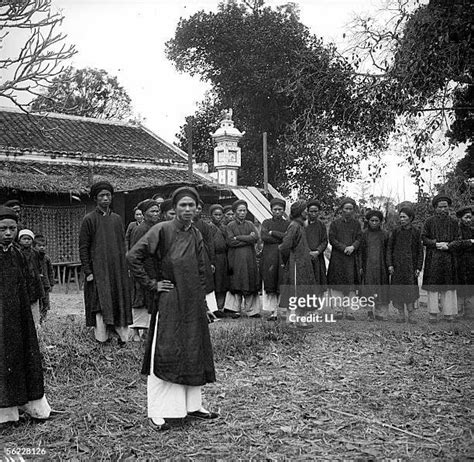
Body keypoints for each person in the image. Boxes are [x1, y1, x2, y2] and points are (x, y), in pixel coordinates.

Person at [127, 186, 217, 432]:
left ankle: (192, 406)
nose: (187, 210)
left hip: (192, 301)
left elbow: (200, 269)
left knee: (193, 349)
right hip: (169, 300)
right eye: (182, 205)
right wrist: (152, 284)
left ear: (197, 208)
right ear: (174, 208)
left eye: (192, 205)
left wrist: (204, 302)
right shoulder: (162, 230)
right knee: (165, 352)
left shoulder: (196, 233)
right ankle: (158, 411)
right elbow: (133, 257)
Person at [0, 206, 51, 426]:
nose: (8, 233)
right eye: (2, 229)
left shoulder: (17, 254)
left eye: (12, 228)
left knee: (21, 357)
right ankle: (6, 414)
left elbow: (27, 285)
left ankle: (26, 405)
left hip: (17, 316)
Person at [79, 181, 132, 345]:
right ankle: (102, 338)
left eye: (108, 195)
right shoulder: (89, 219)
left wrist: (124, 268)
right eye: (101, 195)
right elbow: (83, 247)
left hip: (116, 269)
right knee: (101, 302)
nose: (105, 198)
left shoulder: (116, 219)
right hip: (98, 269)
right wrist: (88, 271)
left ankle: (122, 338)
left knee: (118, 299)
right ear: (95, 198)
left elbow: (122, 245)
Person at [279, 200, 317, 329]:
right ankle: (291, 321)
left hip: (303, 263)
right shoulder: (294, 226)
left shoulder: (300, 226)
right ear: (300, 212)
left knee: (303, 291)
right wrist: (289, 260)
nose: (307, 212)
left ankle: (300, 320)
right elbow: (285, 246)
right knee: (295, 292)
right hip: (296, 264)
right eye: (305, 209)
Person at [421, 194, 460, 323]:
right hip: (434, 258)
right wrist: (435, 244)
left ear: (449, 207)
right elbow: (424, 238)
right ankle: (433, 314)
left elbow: (458, 239)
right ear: (435, 208)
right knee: (433, 286)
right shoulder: (429, 221)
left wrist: (449, 246)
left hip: (449, 257)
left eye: (445, 207)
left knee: (448, 286)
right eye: (440, 207)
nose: (443, 209)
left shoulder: (454, 222)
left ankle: (448, 314)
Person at [128, 200, 161, 342]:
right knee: (140, 298)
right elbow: (136, 253)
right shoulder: (140, 229)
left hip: (153, 268)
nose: (156, 214)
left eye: (157, 211)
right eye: (152, 211)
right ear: (145, 213)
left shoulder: (157, 228)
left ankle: (148, 332)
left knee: (150, 301)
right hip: (143, 269)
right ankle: (136, 332)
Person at [223, 200, 261, 318]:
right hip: (235, 259)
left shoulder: (250, 224)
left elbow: (256, 238)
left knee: (250, 281)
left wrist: (238, 237)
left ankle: (252, 311)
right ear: (235, 212)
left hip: (249, 258)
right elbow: (230, 242)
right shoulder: (230, 226)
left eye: (244, 210)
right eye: (240, 210)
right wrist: (247, 238)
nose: (242, 213)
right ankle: (234, 310)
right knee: (236, 281)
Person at [327, 197, 362, 320]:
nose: (348, 211)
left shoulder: (357, 224)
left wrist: (353, 247)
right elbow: (332, 239)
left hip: (351, 259)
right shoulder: (335, 224)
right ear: (341, 209)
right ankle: (338, 310)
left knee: (351, 285)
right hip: (338, 258)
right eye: (346, 208)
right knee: (337, 284)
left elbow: (359, 238)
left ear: (354, 210)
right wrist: (344, 248)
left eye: (350, 209)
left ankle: (350, 311)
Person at [387, 207, 423, 323]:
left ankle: (411, 315)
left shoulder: (416, 232)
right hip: (397, 267)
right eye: (400, 217)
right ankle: (401, 315)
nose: (402, 219)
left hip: (410, 268)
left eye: (404, 217)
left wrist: (418, 267)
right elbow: (389, 249)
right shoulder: (396, 232)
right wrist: (390, 265)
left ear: (410, 218)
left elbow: (420, 251)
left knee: (410, 292)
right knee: (398, 291)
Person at [260, 198, 289, 320]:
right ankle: (273, 311)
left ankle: (283, 311)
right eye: (275, 209)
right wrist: (279, 237)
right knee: (271, 281)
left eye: (280, 209)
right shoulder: (266, 223)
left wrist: (273, 233)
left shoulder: (288, 224)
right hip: (269, 256)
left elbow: (288, 238)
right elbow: (264, 237)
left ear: (283, 211)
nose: (277, 212)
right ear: (271, 210)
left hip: (283, 255)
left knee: (282, 281)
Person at [359, 210, 390, 321]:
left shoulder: (385, 234)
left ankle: (379, 312)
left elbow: (388, 250)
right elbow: (361, 251)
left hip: (381, 265)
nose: (374, 223)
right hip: (368, 265)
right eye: (372, 220)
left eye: (377, 220)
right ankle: (369, 312)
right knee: (368, 288)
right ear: (368, 221)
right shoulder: (364, 234)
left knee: (381, 288)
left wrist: (388, 264)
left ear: (380, 222)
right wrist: (361, 266)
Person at [194, 201, 219, 319]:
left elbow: (210, 243)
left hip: (204, 256)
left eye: (199, 209)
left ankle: (211, 309)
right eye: (195, 208)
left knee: (206, 282)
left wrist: (212, 261)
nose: (197, 211)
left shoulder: (204, 225)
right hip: (189, 256)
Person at [18, 229, 44, 327]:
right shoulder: (17, 253)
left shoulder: (36, 253)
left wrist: (39, 274)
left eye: (29, 239)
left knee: (35, 304)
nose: (27, 241)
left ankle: (36, 324)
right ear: (19, 241)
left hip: (34, 282)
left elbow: (39, 265)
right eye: (24, 239)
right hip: (23, 282)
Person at [452, 205, 474, 318]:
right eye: (466, 217)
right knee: (459, 286)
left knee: (470, 285)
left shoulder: (472, 230)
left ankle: (469, 312)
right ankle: (459, 311)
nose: (469, 220)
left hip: (471, 262)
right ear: (461, 218)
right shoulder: (456, 230)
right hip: (459, 262)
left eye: (470, 218)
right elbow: (455, 244)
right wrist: (469, 242)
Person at [208, 204, 229, 314]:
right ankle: (214, 308)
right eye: (215, 215)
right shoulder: (209, 228)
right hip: (214, 257)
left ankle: (221, 306)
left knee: (223, 282)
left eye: (220, 215)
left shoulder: (225, 228)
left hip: (224, 257)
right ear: (211, 215)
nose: (218, 217)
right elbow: (210, 244)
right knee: (215, 282)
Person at [304, 199, 328, 296]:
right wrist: (307, 252)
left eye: (316, 211)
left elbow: (324, 241)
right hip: (306, 257)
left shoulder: (321, 225)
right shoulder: (303, 224)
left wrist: (318, 251)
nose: (313, 213)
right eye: (311, 211)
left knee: (318, 280)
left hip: (318, 257)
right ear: (307, 212)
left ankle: (317, 305)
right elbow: (301, 240)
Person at [34, 234, 55, 324]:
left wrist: (51, 283)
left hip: (45, 284)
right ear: (34, 246)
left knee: (45, 302)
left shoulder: (46, 258)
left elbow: (50, 271)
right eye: (39, 246)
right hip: (36, 285)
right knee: (37, 303)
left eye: (44, 246)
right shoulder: (33, 257)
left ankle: (43, 319)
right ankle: (37, 320)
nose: (42, 248)